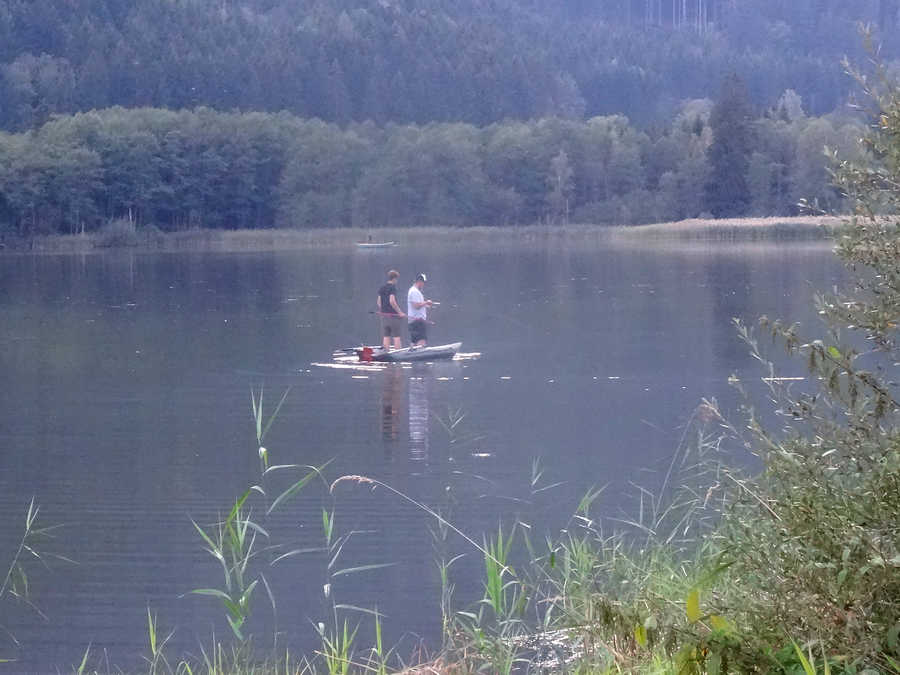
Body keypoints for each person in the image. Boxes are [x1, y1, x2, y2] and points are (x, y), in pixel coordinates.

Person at [377, 269, 406, 350]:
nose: (397, 281)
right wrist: (400, 313)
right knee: (396, 337)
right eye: (397, 279)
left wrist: (383, 311)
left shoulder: (382, 288)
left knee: (386, 336)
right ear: (394, 279)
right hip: (393, 317)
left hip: (384, 317)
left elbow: (379, 302)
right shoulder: (392, 288)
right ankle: (399, 355)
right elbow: (392, 301)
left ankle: (385, 354)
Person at [407, 273, 433, 347]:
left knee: (414, 342)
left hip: (414, 321)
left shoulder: (414, 291)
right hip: (418, 321)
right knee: (422, 340)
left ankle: (411, 356)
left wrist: (426, 305)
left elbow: (417, 305)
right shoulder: (414, 291)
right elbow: (416, 306)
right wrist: (426, 302)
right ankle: (421, 355)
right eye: (423, 282)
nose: (424, 284)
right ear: (419, 281)